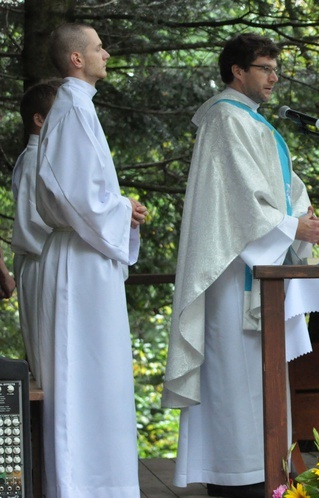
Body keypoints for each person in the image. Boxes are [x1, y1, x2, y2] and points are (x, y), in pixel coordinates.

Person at [162, 33, 319, 498]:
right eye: (264, 67)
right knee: (233, 380)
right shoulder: (225, 118)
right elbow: (238, 202)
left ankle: (260, 472)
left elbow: (280, 189)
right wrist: (290, 227)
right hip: (233, 272)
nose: (274, 77)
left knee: (254, 382)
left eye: (276, 68)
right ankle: (234, 478)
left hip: (258, 270)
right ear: (237, 71)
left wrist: (303, 220)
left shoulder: (252, 122)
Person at [35, 23, 148, 498]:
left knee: (101, 373)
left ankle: (106, 483)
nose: (106, 53)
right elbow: (74, 195)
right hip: (80, 259)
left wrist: (121, 209)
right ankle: (84, 485)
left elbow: (85, 192)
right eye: (99, 47)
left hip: (89, 255)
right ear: (77, 59)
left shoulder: (79, 108)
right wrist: (122, 210)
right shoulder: (73, 110)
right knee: (81, 371)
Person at [12, 79, 60, 388]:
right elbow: (37, 224)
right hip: (41, 261)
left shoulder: (42, 159)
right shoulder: (34, 161)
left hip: (44, 261)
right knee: (50, 362)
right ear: (39, 120)